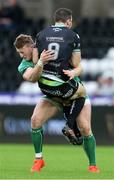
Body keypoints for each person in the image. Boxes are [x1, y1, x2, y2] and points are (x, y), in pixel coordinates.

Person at [14, 8, 99, 173]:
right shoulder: (25, 64)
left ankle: (93, 165)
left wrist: (74, 71)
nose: (20, 55)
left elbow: (78, 65)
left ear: (32, 46)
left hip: (72, 94)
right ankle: (39, 160)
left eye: (21, 51)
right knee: (35, 120)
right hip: (53, 96)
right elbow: (32, 77)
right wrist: (40, 63)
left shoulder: (50, 48)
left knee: (85, 128)